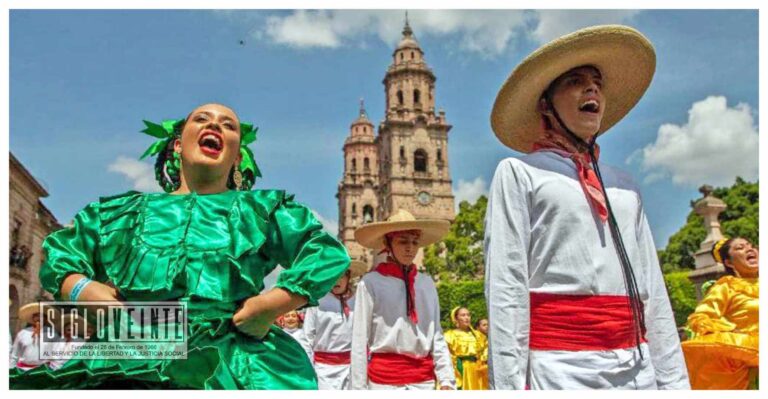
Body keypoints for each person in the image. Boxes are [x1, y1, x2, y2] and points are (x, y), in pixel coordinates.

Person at [9, 103, 351, 389]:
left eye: (228, 125)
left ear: (236, 154)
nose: (215, 125)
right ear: (176, 145)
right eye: (202, 119)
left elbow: (323, 252)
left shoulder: (261, 210)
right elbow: (61, 254)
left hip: (233, 362)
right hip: (127, 353)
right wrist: (81, 288)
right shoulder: (120, 212)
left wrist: (271, 304)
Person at [485, 25, 689, 389]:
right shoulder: (519, 172)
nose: (592, 88)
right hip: (560, 370)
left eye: (597, 81)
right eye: (575, 80)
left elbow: (653, 292)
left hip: (637, 367)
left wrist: (674, 383)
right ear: (546, 104)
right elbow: (506, 289)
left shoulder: (624, 185)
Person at [350, 210, 455, 390]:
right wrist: (358, 389)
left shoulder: (426, 283)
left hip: (423, 381)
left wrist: (447, 380)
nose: (410, 248)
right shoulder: (370, 282)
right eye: (403, 241)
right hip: (384, 382)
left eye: (415, 242)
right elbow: (359, 338)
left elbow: (436, 332)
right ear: (387, 243)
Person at [682, 237, 759, 389]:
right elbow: (701, 318)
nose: (749, 249)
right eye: (740, 248)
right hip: (749, 352)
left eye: (751, 246)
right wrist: (731, 331)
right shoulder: (726, 286)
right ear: (729, 263)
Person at [303, 260, 367, 389]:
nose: (337, 281)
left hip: (352, 369)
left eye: (341, 276)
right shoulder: (317, 302)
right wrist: (308, 369)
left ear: (348, 277)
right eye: (333, 276)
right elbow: (307, 338)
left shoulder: (358, 301)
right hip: (323, 370)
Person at [444, 307, 488, 390]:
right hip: (460, 370)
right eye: (463, 315)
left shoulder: (479, 335)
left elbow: (486, 349)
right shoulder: (449, 335)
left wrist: (483, 361)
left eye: (468, 315)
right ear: (456, 318)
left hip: (478, 370)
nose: (467, 317)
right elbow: (446, 356)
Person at [10, 303, 53, 371]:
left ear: (46, 319)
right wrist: (10, 371)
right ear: (32, 318)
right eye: (36, 316)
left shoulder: (53, 334)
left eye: (42, 316)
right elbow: (15, 355)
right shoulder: (22, 333)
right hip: (23, 370)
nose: (39, 318)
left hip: (44, 371)